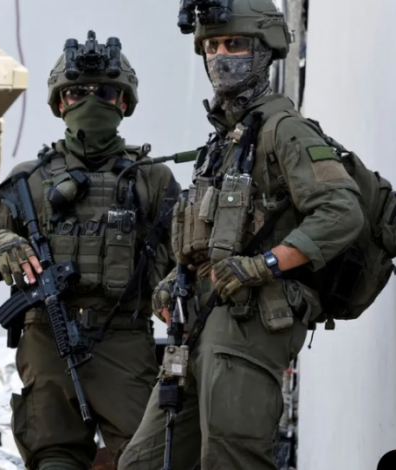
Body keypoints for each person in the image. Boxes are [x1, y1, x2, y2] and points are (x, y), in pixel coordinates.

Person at [118, 1, 364, 469]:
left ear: (264, 50)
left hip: (249, 325)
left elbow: (340, 211)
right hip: (197, 324)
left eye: (234, 44)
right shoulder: (224, 141)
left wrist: (265, 264)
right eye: (212, 46)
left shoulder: (284, 130)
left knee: (233, 459)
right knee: (142, 462)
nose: (220, 56)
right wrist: (176, 278)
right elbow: (211, 236)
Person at [0, 31, 181, 470]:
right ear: (60, 103)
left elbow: (185, 257)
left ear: (124, 102)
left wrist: (176, 285)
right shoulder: (29, 180)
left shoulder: (152, 180)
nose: (90, 101)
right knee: (54, 458)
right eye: (77, 93)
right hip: (48, 339)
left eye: (104, 92)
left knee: (149, 459)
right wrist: (1, 245)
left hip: (124, 341)